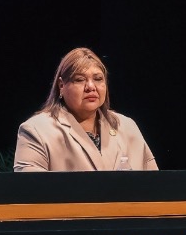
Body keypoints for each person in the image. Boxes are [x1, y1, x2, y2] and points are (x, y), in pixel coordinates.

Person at [14, 47, 158, 171]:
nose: (91, 87)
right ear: (61, 86)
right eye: (79, 79)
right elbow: (30, 190)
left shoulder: (127, 126)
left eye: (98, 79)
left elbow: (155, 186)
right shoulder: (36, 130)